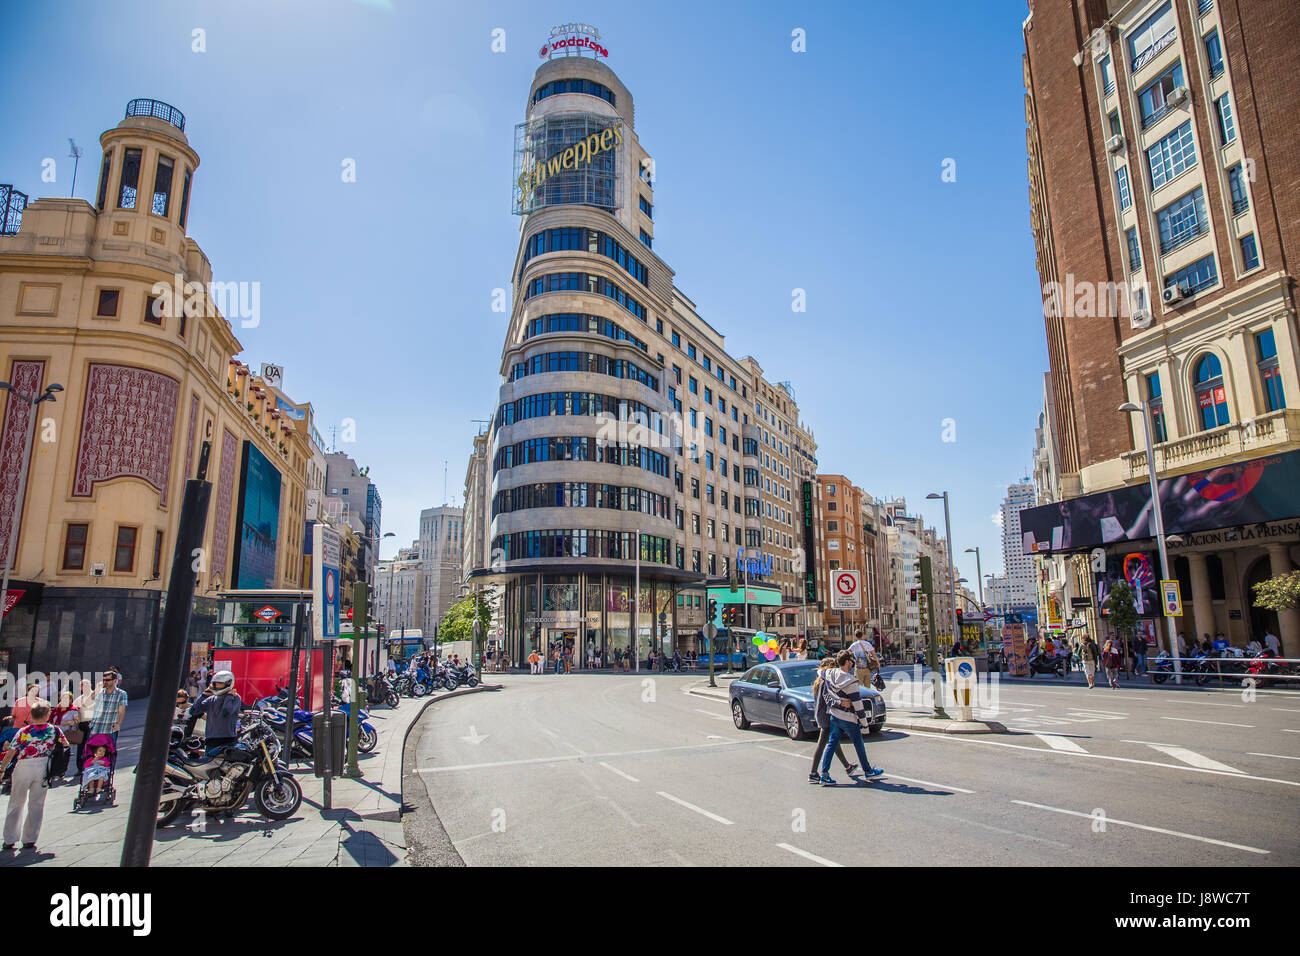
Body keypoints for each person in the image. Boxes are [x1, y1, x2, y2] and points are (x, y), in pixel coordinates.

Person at [2, 702, 67, 852]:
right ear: (47, 715)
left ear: (31, 715)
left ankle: (9, 839)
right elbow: (65, 745)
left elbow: (11, 752)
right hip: (43, 766)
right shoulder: (54, 730)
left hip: (23, 766)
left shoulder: (24, 731)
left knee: (16, 802)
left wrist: (2, 769)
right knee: (36, 803)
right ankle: (30, 839)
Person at [817, 651, 884, 786]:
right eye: (852, 661)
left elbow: (821, 676)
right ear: (847, 662)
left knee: (831, 743)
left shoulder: (830, 674)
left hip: (834, 714)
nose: (853, 664)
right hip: (848, 717)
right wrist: (865, 724)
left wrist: (838, 701)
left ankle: (824, 774)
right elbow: (857, 704)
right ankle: (868, 770)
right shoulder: (850, 681)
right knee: (858, 743)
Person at [809, 658, 857, 783]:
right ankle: (813, 773)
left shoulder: (818, 682)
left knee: (834, 743)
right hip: (827, 716)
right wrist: (841, 703)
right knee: (824, 745)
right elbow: (828, 700)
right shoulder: (825, 682)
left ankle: (848, 767)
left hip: (821, 715)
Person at [185, 670, 243, 751]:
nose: (217, 686)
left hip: (228, 739)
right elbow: (193, 711)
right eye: (215, 684)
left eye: (220, 684)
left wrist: (229, 696)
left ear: (228, 683)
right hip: (211, 739)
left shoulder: (235, 698)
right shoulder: (211, 699)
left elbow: (226, 712)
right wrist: (203, 695)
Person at [88, 669, 127, 745]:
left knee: (108, 752)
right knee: (92, 753)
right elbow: (89, 701)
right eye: (103, 680)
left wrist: (118, 724)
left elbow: (121, 711)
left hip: (110, 729)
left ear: (115, 681)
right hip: (96, 728)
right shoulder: (99, 692)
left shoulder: (121, 694)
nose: (105, 682)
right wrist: (97, 689)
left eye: (108, 680)